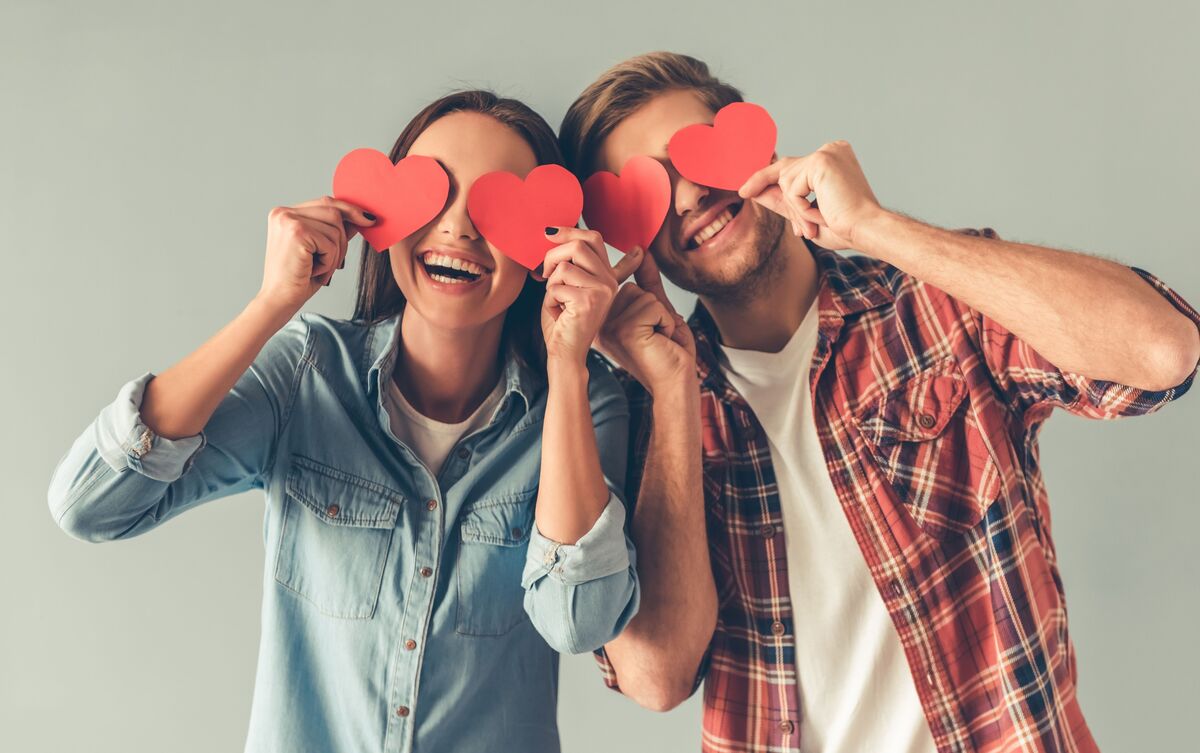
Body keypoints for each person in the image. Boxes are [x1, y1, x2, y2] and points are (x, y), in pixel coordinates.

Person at [559, 52, 1200, 753]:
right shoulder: (644, 417)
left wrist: (874, 226)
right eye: (647, 193)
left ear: (757, 142)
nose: (687, 198)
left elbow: (1164, 351)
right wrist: (673, 388)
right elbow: (657, 678)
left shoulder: (937, 306)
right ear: (629, 239)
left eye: (696, 155)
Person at [47, 89, 641, 753]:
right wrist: (272, 303)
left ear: (545, 244)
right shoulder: (306, 374)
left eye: (498, 207)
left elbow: (578, 619)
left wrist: (567, 364)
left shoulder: (587, 406)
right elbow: (89, 503)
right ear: (385, 214)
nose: (460, 229)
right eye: (435, 194)